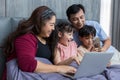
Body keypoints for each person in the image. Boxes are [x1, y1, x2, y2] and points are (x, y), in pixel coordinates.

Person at [2, 6, 76, 80]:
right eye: (51, 25)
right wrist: (59, 69)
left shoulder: (49, 39)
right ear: (40, 22)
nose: (53, 28)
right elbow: (27, 64)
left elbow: (55, 63)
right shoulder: (25, 38)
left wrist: (69, 65)